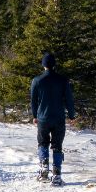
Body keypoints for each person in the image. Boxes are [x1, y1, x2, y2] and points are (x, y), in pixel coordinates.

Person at [30, 52, 75, 184]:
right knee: (57, 146)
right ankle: (56, 175)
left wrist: (34, 116)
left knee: (43, 143)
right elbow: (69, 99)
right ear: (54, 65)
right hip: (59, 118)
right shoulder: (63, 80)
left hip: (43, 118)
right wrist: (71, 115)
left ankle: (44, 169)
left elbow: (33, 101)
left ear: (43, 65)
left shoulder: (37, 80)